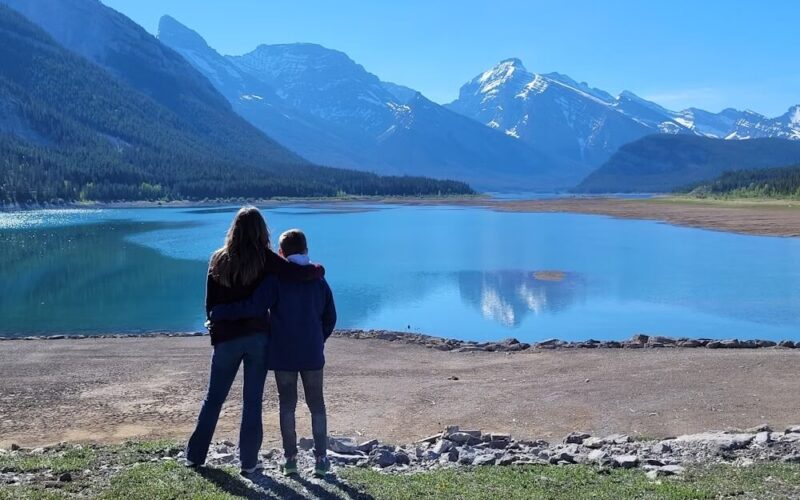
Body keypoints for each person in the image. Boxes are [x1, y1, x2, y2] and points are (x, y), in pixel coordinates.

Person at [186, 207, 324, 475]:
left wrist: (216, 330)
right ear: (261, 231)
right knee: (252, 401)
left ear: (234, 230)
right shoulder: (266, 259)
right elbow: (298, 273)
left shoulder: (218, 259)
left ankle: (195, 456)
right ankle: (249, 462)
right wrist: (318, 269)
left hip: (226, 340)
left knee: (213, 399)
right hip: (258, 340)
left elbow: (210, 304)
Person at [210, 228, 336, 478]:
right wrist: (317, 339)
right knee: (317, 407)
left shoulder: (276, 281)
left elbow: (254, 307)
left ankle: (290, 461)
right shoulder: (319, 281)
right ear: (306, 250)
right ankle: (321, 460)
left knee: (287, 406)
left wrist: (221, 312)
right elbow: (330, 317)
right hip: (312, 354)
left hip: (283, 356)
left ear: (281, 252)